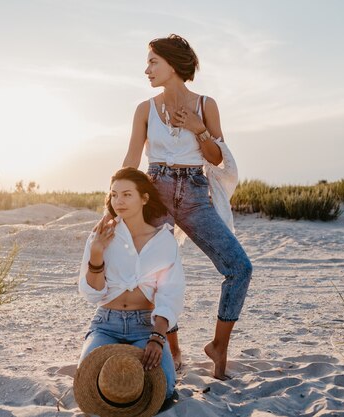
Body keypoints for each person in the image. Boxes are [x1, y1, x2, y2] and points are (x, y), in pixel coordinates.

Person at [121, 34, 253, 380]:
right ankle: (173, 349)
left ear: (174, 65)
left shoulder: (206, 104)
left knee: (239, 267)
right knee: (159, 273)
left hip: (195, 194)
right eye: (148, 62)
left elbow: (217, 159)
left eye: (153, 61)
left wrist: (199, 130)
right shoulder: (144, 110)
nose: (146, 69)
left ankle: (218, 346)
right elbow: (133, 159)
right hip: (156, 191)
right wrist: (114, 200)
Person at [78, 167, 185, 400]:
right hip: (106, 323)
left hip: (145, 326)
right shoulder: (100, 236)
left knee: (163, 388)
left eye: (127, 194)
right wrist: (96, 254)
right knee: (90, 381)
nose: (119, 201)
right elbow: (94, 294)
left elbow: (170, 293)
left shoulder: (163, 240)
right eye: (114, 194)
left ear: (144, 198)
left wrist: (158, 337)